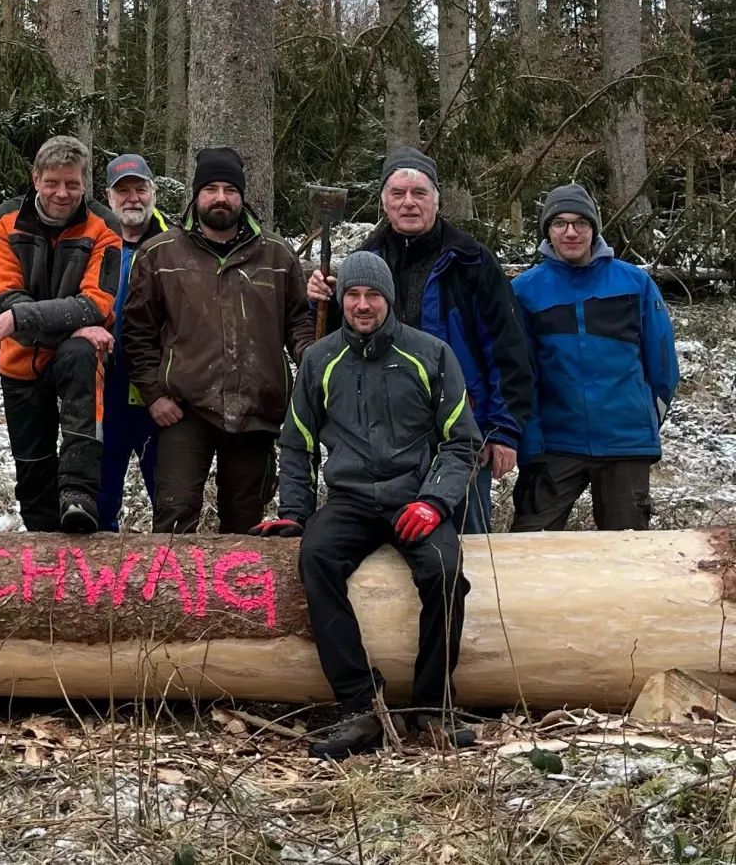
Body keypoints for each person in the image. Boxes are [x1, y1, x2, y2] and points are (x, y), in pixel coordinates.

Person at [262, 252, 479, 759]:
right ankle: (361, 705)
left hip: (415, 498)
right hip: (352, 499)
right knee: (315, 559)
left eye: (372, 295)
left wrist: (435, 501)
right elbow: (297, 443)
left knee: (446, 570)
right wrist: (294, 513)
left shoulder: (431, 355)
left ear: (390, 300)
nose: (362, 305)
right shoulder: (319, 358)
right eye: (353, 296)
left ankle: (431, 706)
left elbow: (461, 442)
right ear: (341, 301)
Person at [307, 147, 532, 533]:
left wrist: (503, 430)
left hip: (458, 434)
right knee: (381, 554)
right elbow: (343, 345)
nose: (408, 203)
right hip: (379, 438)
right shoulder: (365, 260)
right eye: (397, 194)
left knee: (465, 543)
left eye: (419, 193)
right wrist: (321, 304)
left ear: (436, 200)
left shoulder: (471, 261)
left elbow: (507, 349)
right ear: (383, 202)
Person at [121, 147, 315, 534]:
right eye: (211, 188)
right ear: (196, 195)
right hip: (185, 410)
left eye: (230, 188)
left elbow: (299, 323)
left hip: (257, 411)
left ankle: (236, 596)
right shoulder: (160, 254)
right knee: (174, 519)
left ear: (243, 196)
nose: (221, 197)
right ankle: (171, 594)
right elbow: (137, 331)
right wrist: (154, 394)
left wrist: (312, 361)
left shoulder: (277, 255)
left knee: (245, 526)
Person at [510, 184, 679, 532]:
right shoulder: (524, 290)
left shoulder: (634, 283)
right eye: (559, 223)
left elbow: (662, 366)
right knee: (528, 547)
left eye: (580, 223)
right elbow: (520, 374)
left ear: (594, 228)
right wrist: (530, 441)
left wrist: (644, 419)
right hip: (555, 445)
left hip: (625, 442)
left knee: (626, 555)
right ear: (547, 231)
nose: (570, 232)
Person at [0, 135, 122, 534]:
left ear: (84, 184)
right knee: (33, 469)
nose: (63, 193)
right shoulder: (5, 220)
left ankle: (79, 494)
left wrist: (22, 319)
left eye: (73, 184)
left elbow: (95, 304)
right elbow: (8, 296)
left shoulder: (103, 225)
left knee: (81, 352)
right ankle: (41, 549)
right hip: (21, 360)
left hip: (73, 354)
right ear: (36, 178)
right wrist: (66, 319)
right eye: (53, 183)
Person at [97, 153, 167, 531]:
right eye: (123, 191)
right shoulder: (95, 244)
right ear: (109, 197)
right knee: (101, 495)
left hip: (159, 393)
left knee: (168, 496)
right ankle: (96, 585)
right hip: (104, 388)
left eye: (140, 189)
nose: (133, 199)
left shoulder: (175, 246)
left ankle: (170, 579)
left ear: (153, 191)